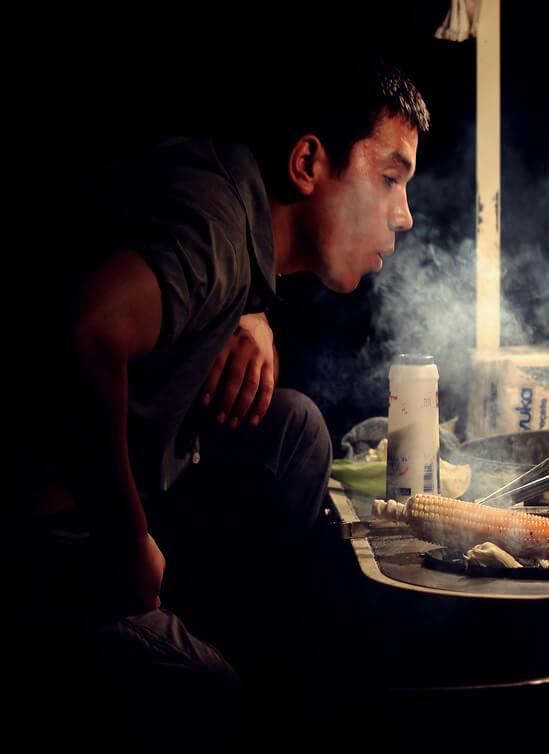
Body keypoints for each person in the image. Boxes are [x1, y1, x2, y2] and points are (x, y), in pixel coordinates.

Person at [6, 58, 430, 743]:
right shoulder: (212, 223)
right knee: (223, 707)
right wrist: (126, 543)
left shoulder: (232, 214)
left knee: (296, 430)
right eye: (389, 180)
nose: (403, 215)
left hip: (117, 514)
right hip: (46, 546)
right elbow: (86, 333)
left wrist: (250, 313)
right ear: (307, 163)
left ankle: (205, 645)